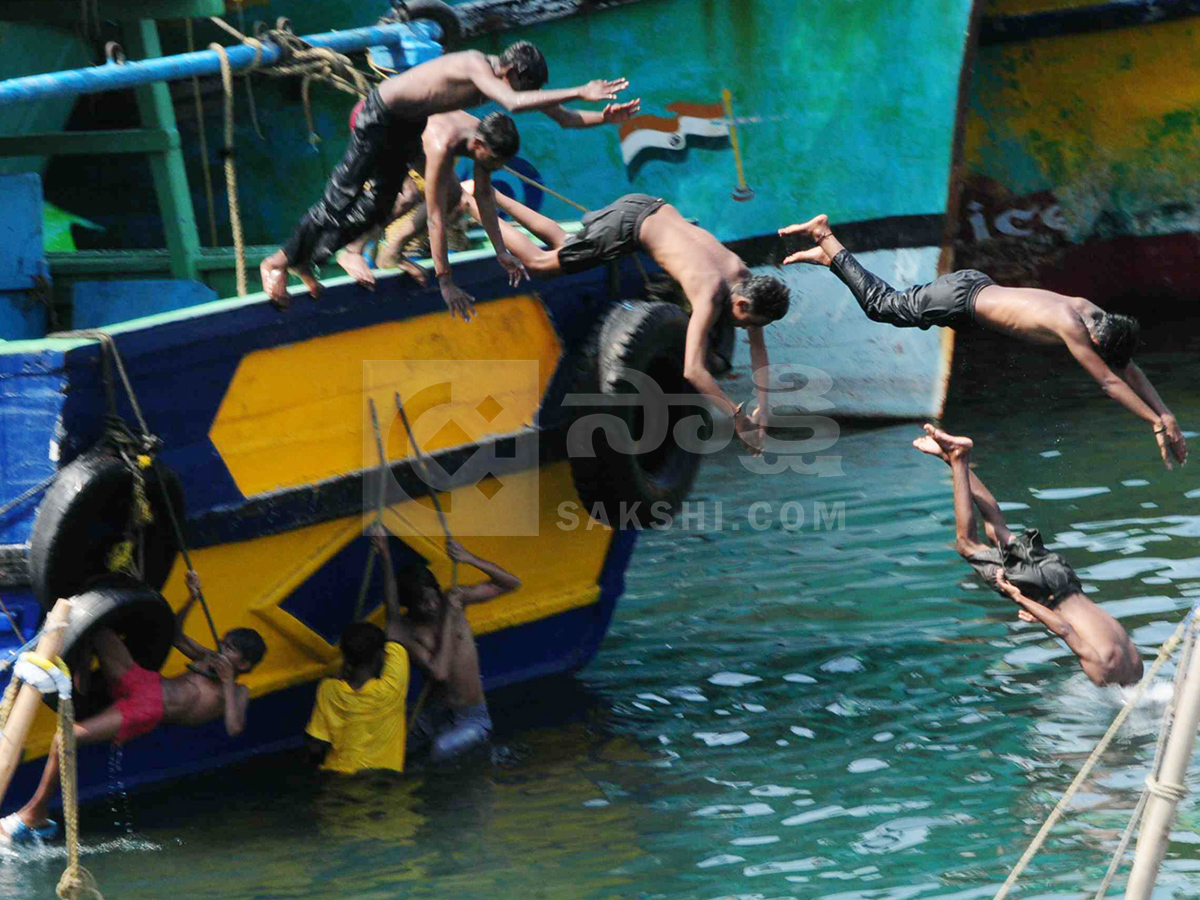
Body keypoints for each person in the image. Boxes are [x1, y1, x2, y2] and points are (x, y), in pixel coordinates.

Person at [779, 214, 1188, 469]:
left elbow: (1127, 368)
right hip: (963, 300)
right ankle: (826, 239)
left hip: (977, 290)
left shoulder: (1092, 311)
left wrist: (1167, 415)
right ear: (1098, 341)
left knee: (890, 305)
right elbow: (1110, 381)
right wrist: (1152, 421)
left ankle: (831, 260)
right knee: (882, 306)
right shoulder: (1072, 325)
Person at [260, 40, 634, 311]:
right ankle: (276, 262)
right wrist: (583, 90)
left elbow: (564, 118)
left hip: (407, 126)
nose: (530, 94)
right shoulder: (477, 66)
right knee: (340, 198)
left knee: (379, 205)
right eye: (528, 85)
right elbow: (515, 102)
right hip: (381, 115)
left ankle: (307, 258)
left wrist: (605, 117)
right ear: (515, 72)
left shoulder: (502, 92)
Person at [456, 184, 792, 453]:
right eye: (747, 322)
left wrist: (763, 410)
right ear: (743, 303)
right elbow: (693, 370)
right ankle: (471, 201)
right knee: (541, 264)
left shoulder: (741, 272)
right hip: (629, 226)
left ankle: (491, 194)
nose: (746, 330)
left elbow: (757, 348)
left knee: (564, 243)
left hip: (649, 205)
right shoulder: (708, 293)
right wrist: (736, 416)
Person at [1, 572, 266, 843]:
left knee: (64, 737)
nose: (222, 650)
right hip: (144, 681)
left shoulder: (238, 691)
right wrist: (192, 599)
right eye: (224, 642)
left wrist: (226, 682)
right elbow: (175, 636)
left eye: (230, 649)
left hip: (149, 709)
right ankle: (80, 681)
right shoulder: (208, 657)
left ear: (244, 664)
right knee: (96, 626)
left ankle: (36, 812)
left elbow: (234, 727)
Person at [914, 424, 1142, 687]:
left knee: (998, 529)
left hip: (1064, 578)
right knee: (967, 545)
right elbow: (1064, 629)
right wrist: (1018, 597)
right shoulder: (1104, 672)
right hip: (1043, 591)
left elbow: (1079, 623)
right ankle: (957, 458)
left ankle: (953, 457)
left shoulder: (1137, 665)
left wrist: (1039, 612)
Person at [390, 539, 520, 764]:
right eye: (422, 603)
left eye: (433, 598)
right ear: (408, 606)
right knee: (392, 747)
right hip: (434, 713)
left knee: (439, 750)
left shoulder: (454, 600)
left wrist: (469, 558)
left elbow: (511, 583)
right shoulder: (407, 629)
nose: (431, 606)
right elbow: (438, 671)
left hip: (471, 716)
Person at [304, 527, 411, 774]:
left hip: (338, 775)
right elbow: (394, 617)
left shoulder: (329, 690)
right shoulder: (392, 685)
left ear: (345, 657)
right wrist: (385, 554)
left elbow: (315, 748)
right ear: (380, 657)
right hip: (383, 778)